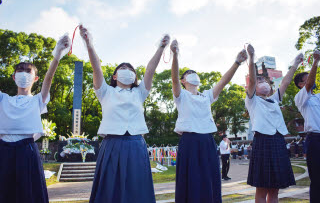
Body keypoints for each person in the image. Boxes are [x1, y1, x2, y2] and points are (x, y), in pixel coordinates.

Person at [79, 25, 170, 203]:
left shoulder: (140, 92)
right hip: (112, 144)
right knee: (110, 190)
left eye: (131, 69)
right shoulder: (105, 92)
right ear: (114, 76)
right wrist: (89, 44)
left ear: (135, 76)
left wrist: (161, 47)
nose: (127, 70)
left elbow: (150, 68)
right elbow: (96, 67)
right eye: (123, 68)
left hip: (136, 144)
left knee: (137, 189)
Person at [171, 39, 248, 203]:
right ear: (183, 80)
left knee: (210, 178)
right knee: (190, 180)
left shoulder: (207, 95)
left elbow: (223, 81)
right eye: (188, 73)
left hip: (207, 140)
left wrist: (237, 62)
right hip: (189, 140)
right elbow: (174, 79)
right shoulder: (181, 95)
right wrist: (175, 55)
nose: (193, 74)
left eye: (194, 72)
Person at [0, 34, 71, 203]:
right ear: (14, 77)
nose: (23, 74)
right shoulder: (4, 99)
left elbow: (49, 78)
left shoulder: (37, 100)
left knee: (29, 194)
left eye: (28, 71)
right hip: (4, 150)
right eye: (20, 71)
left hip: (26, 150)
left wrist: (57, 54)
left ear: (35, 78)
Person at [245, 44, 301, 202]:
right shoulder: (252, 101)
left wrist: (295, 63)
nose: (263, 83)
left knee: (275, 188)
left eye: (265, 81)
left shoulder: (274, 99)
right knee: (261, 188)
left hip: (277, 140)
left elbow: (285, 83)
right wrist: (251, 58)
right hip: (262, 140)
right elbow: (251, 81)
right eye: (259, 81)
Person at [294, 50, 320, 202]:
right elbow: (310, 82)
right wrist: (315, 61)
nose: (313, 79)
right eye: (308, 78)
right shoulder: (300, 97)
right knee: (317, 179)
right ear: (301, 84)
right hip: (315, 140)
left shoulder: (318, 97)